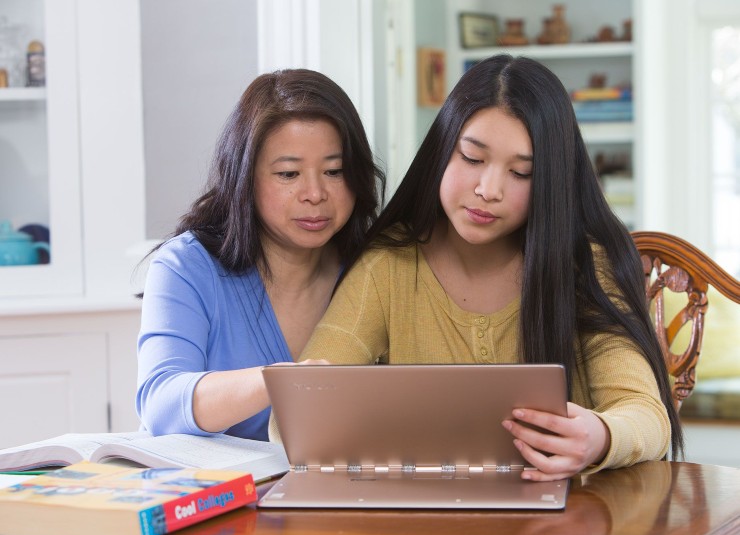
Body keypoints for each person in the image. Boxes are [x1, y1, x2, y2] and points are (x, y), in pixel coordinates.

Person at [288, 55, 683, 480]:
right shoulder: (387, 266)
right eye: (473, 159)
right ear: (441, 151)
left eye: (521, 172)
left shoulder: (585, 265)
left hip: (572, 527)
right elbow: (294, 418)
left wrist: (599, 435)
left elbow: (647, 417)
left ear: (550, 182)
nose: (488, 190)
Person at [136, 68, 385, 441]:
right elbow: (162, 405)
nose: (315, 193)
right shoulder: (185, 267)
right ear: (244, 177)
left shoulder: (373, 270)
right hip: (209, 494)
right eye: (288, 174)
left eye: (334, 171)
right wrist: (279, 381)